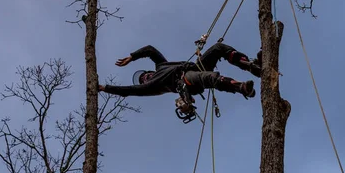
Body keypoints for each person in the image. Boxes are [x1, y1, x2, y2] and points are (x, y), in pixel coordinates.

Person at [98, 43, 262, 99]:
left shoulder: (161, 66)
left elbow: (150, 50)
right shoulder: (152, 86)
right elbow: (128, 91)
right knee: (208, 77)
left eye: (145, 75)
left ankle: (249, 65)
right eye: (143, 80)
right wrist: (105, 88)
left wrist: (132, 57)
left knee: (218, 48)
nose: (145, 78)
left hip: (194, 67)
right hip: (185, 82)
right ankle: (240, 88)